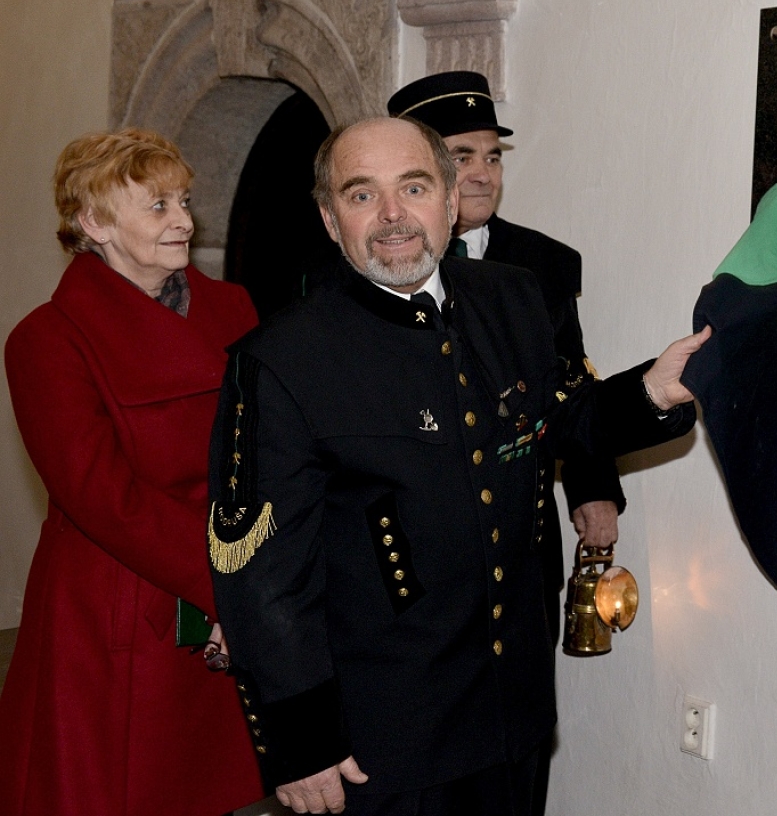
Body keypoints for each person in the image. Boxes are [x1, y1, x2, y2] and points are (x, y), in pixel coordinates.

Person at [208, 116, 707, 815]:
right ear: (329, 219)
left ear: (448, 201)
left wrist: (650, 391)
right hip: (380, 740)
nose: (392, 215)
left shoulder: (512, 297)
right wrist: (302, 741)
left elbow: (561, 416)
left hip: (511, 711)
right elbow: (262, 579)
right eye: (362, 195)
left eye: (413, 188)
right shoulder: (282, 360)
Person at [0, 129, 262, 816]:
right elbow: (103, 498)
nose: (183, 221)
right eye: (157, 206)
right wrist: (223, 586)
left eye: (184, 201)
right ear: (94, 222)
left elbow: (271, 452)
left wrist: (258, 578)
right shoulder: (47, 341)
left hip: (231, 581)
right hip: (117, 609)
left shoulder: (235, 310)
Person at [386, 70, 625, 815]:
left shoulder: (540, 262)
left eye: (492, 155)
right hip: (418, 554)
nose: (483, 172)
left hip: (521, 540)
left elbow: (570, 384)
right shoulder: (381, 261)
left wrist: (593, 489)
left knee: (518, 732)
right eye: (462, 156)